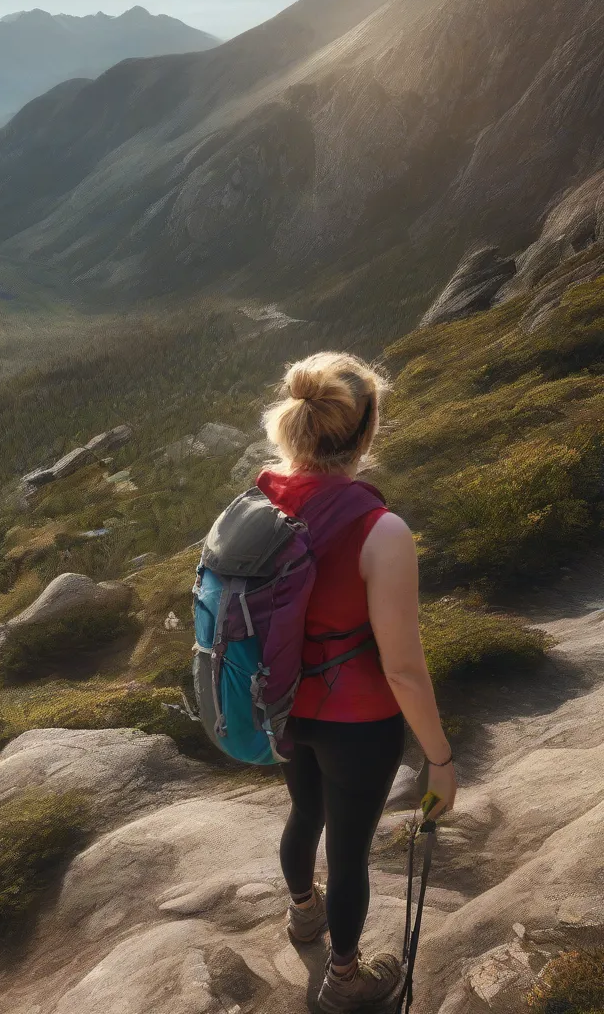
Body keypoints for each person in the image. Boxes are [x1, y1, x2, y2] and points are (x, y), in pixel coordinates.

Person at [257, 352, 458, 1013]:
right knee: (349, 850)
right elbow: (401, 667)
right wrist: (440, 761)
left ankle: (301, 914)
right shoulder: (381, 530)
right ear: (367, 428)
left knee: (303, 812)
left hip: (284, 707)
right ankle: (346, 981)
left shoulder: (262, 502)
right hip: (357, 724)